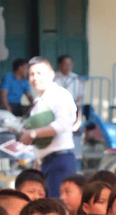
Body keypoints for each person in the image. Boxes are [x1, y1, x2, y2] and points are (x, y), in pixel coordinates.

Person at [19, 57, 81, 198]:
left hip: (60, 160)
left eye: (39, 73)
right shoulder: (39, 101)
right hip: (45, 162)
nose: (35, 78)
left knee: (57, 208)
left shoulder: (59, 95)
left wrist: (33, 134)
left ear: (52, 74)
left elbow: (62, 124)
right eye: (32, 74)